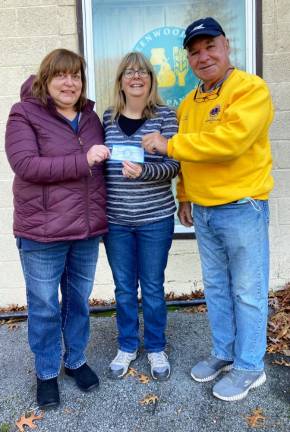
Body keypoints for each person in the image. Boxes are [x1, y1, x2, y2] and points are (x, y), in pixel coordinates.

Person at [142, 17, 274, 401]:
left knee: (248, 291)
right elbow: (190, 157)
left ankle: (250, 367)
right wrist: (183, 195)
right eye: (195, 52)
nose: (203, 57)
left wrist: (167, 146)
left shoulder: (250, 89)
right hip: (204, 210)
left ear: (226, 45)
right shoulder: (189, 102)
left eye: (209, 47)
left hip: (241, 207)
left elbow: (228, 142)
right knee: (217, 287)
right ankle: (224, 352)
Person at [5, 48, 110, 408]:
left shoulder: (91, 117)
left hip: (85, 231)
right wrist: (82, 161)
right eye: (61, 75)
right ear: (46, 79)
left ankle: (75, 360)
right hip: (42, 232)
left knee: (78, 302)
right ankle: (47, 370)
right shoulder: (24, 114)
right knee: (46, 306)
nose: (70, 82)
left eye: (76, 75)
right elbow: (26, 165)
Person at [103, 52, 179, 381]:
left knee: (151, 286)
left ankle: (156, 347)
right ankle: (127, 345)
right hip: (115, 221)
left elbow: (175, 165)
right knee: (123, 288)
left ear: (151, 79)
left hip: (154, 219)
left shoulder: (165, 116)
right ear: (120, 80)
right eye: (129, 72)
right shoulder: (106, 118)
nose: (136, 77)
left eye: (143, 72)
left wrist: (145, 171)